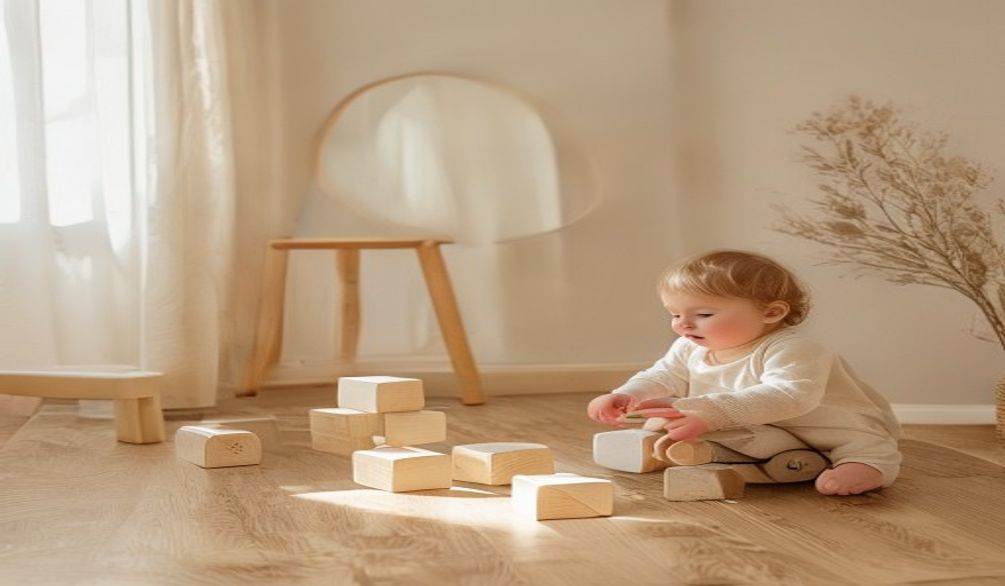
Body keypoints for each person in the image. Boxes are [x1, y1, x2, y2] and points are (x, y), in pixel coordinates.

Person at [587, 250, 901, 496]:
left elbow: (788, 397)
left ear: (770, 312)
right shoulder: (688, 347)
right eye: (674, 314)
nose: (682, 324)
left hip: (826, 427)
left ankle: (868, 465)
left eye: (704, 314)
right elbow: (664, 373)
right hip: (760, 426)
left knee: (860, 443)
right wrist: (628, 394)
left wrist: (711, 414)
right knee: (680, 421)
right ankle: (694, 452)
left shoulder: (795, 349)